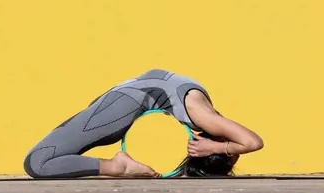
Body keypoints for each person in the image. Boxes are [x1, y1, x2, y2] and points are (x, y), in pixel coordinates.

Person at [23, 69, 263, 179]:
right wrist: (216, 149)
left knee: (39, 162)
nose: (236, 153)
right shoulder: (204, 116)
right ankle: (118, 167)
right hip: (122, 103)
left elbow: (248, 144)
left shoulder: (203, 114)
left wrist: (217, 148)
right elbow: (253, 142)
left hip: (122, 102)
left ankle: (117, 167)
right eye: (234, 153)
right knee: (40, 162)